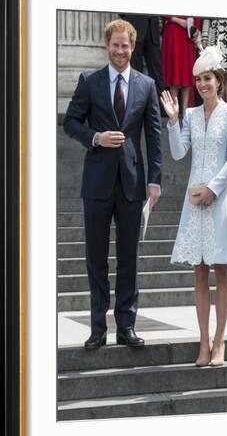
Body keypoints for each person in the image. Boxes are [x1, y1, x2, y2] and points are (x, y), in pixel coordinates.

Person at [63, 19, 162, 350]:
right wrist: (96, 137)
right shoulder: (89, 81)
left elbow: (154, 134)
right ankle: (97, 328)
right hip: (97, 183)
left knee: (129, 259)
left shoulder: (146, 84)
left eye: (126, 45)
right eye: (116, 45)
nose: (121, 50)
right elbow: (71, 122)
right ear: (107, 46)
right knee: (96, 259)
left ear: (134, 47)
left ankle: (126, 325)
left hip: (133, 184)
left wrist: (155, 180)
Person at [160, 46, 227, 367]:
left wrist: (214, 188)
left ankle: (220, 340)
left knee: (221, 269)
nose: (201, 84)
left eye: (207, 78)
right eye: (197, 80)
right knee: (199, 271)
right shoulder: (192, 116)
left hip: (219, 198)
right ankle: (203, 340)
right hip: (195, 200)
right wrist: (172, 122)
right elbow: (180, 153)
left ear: (219, 80)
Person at [161, 16, 201, 117]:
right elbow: (164, 12)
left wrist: (196, 28)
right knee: (174, 70)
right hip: (173, 32)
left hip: (187, 34)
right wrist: (178, 21)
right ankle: (174, 110)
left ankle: (185, 111)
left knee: (187, 72)